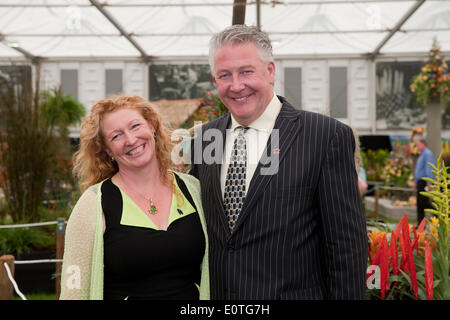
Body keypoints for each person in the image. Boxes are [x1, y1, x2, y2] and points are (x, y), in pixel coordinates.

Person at [189, 25, 368, 299]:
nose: (236, 85)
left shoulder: (324, 136)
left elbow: (346, 246)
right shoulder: (205, 138)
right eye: (225, 75)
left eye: (246, 71)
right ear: (215, 80)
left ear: (270, 71)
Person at [60, 95, 209, 300]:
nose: (131, 140)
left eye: (135, 126)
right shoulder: (93, 204)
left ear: (152, 127)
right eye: (116, 136)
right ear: (106, 150)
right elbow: (73, 291)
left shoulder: (192, 189)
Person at [413, 136, 436, 225]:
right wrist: (415, 182)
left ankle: (438, 217)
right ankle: (420, 225)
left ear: (423, 143)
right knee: (420, 204)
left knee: (425, 203)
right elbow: (419, 170)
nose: (417, 146)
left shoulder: (427, 154)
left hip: (424, 182)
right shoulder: (421, 154)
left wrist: (429, 183)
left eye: (418, 144)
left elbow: (429, 168)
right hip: (420, 181)